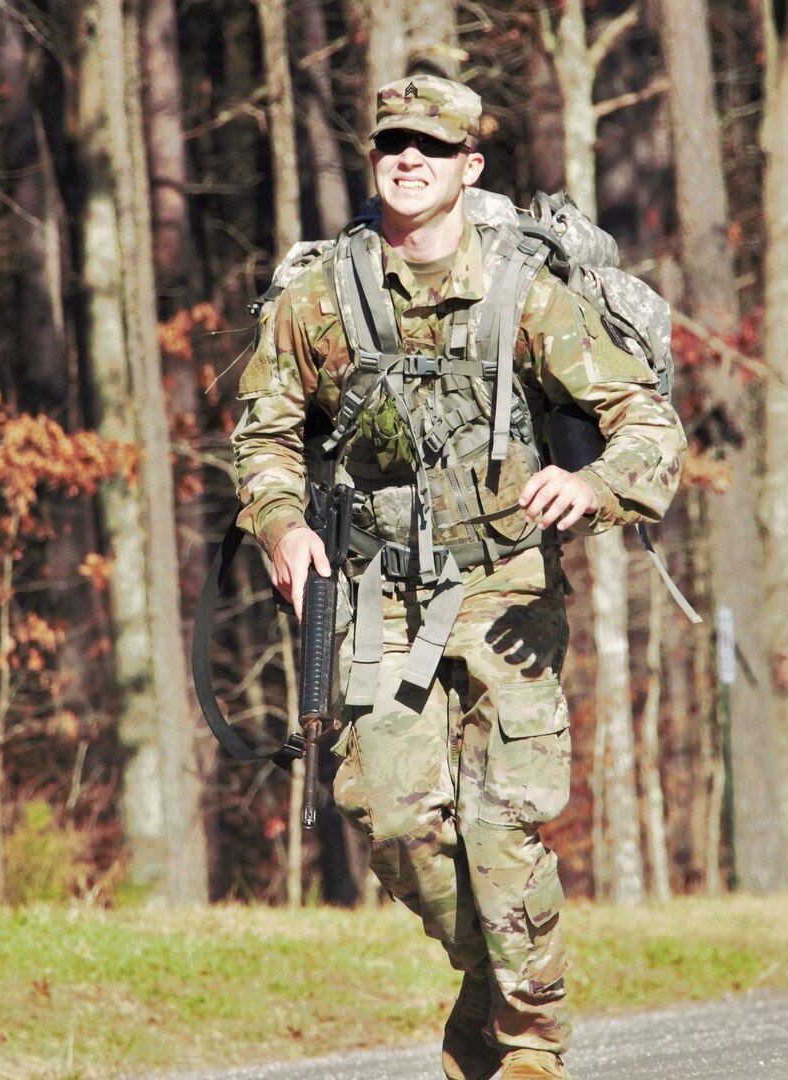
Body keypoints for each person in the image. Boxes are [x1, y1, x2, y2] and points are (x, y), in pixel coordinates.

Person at [230, 74, 686, 1080]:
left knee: (502, 817)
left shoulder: (527, 295)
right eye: (391, 142)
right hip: (368, 592)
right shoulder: (321, 300)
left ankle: (527, 1047)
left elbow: (646, 422)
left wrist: (595, 483)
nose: (406, 159)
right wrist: (279, 528)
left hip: (506, 591)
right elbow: (261, 435)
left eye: (430, 148)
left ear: (467, 167)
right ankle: (489, 989)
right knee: (390, 811)